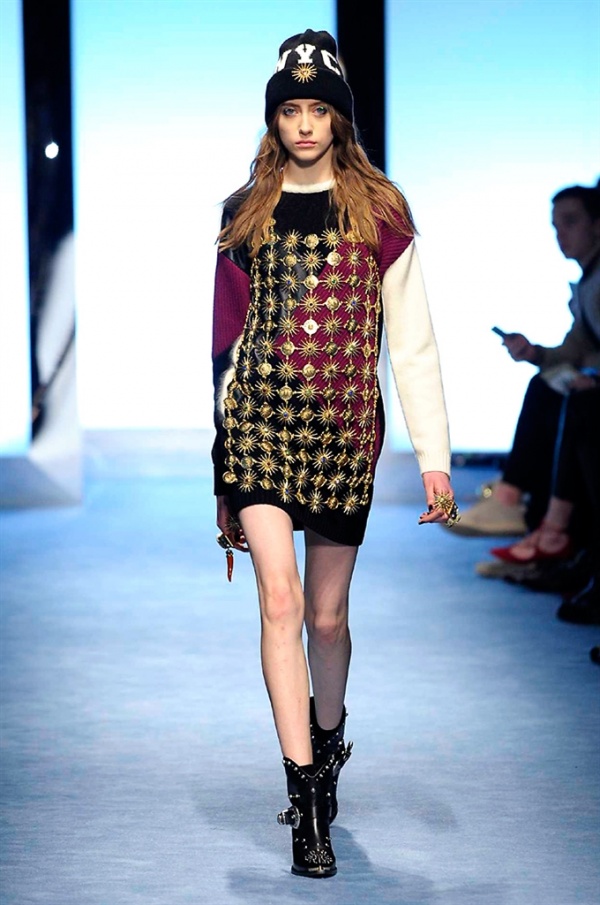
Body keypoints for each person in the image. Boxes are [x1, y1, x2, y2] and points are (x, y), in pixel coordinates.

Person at [211, 29, 456, 879]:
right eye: (291, 110)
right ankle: (306, 801)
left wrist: (434, 456)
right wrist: (220, 464)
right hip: (258, 428)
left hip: (343, 435)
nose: (306, 124)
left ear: (340, 118)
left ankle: (328, 739)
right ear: (274, 119)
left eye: (319, 109)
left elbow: (412, 342)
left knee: (326, 618)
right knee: (279, 603)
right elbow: (225, 344)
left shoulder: (382, 212)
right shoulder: (244, 211)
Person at [453, 183, 600, 539]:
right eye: (555, 226)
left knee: (557, 397)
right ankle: (528, 518)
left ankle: (522, 509)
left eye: (570, 222)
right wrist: (534, 353)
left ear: (597, 224)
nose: (560, 235)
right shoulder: (587, 283)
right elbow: (575, 349)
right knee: (548, 388)